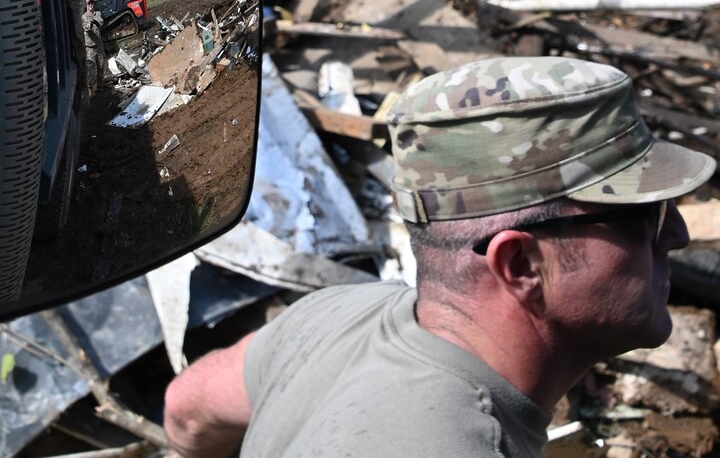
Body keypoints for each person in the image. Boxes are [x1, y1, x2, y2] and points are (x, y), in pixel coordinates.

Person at [163, 56, 715, 458]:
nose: (679, 236)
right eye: (647, 218)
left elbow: (188, 408)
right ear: (521, 266)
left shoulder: (331, 316)